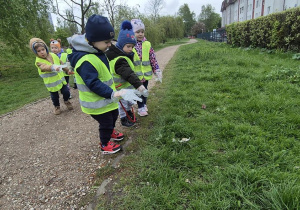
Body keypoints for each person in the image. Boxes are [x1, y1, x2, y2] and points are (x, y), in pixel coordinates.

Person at [67, 14, 141, 154]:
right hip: (96, 103)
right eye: (106, 42)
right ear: (93, 40)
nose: (109, 45)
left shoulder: (97, 51)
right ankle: (105, 144)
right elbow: (93, 83)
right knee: (106, 122)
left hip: (106, 99)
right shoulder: (86, 60)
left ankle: (111, 132)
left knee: (113, 115)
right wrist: (113, 93)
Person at [106, 20, 148, 127]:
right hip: (120, 87)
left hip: (126, 86)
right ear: (121, 44)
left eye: (132, 47)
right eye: (128, 46)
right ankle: (124, 119)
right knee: (123, 104)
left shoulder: (125, 55)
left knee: (128, 102)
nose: (131, 49)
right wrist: (139, 85)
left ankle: (128, 113)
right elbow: (128, 73)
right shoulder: (119, 59)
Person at [29, 38, 74, 115]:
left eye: (43, 49)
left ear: (46, 48)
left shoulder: (53, 55)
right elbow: (44, 67)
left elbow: (61, 63)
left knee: (66, 92)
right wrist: (53, 67)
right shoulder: (38, 61)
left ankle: (66, 101)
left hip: (61, 80)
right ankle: (57, 107)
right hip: (51, 83)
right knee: (54, 97)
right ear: (35, 52)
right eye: (38, 51)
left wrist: (67, 70)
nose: (42, 52)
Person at [131, 18, 163, 117]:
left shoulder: (147, 44)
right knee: (139, 91)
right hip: (136, 75)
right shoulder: (130, 45)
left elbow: (152, 58)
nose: (140, 34)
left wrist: (156, 69)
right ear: (132, 33)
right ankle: (140, 108)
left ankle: (144, 104)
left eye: (142, 31)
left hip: (146, 74)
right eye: (137, 32)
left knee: (145, 90)